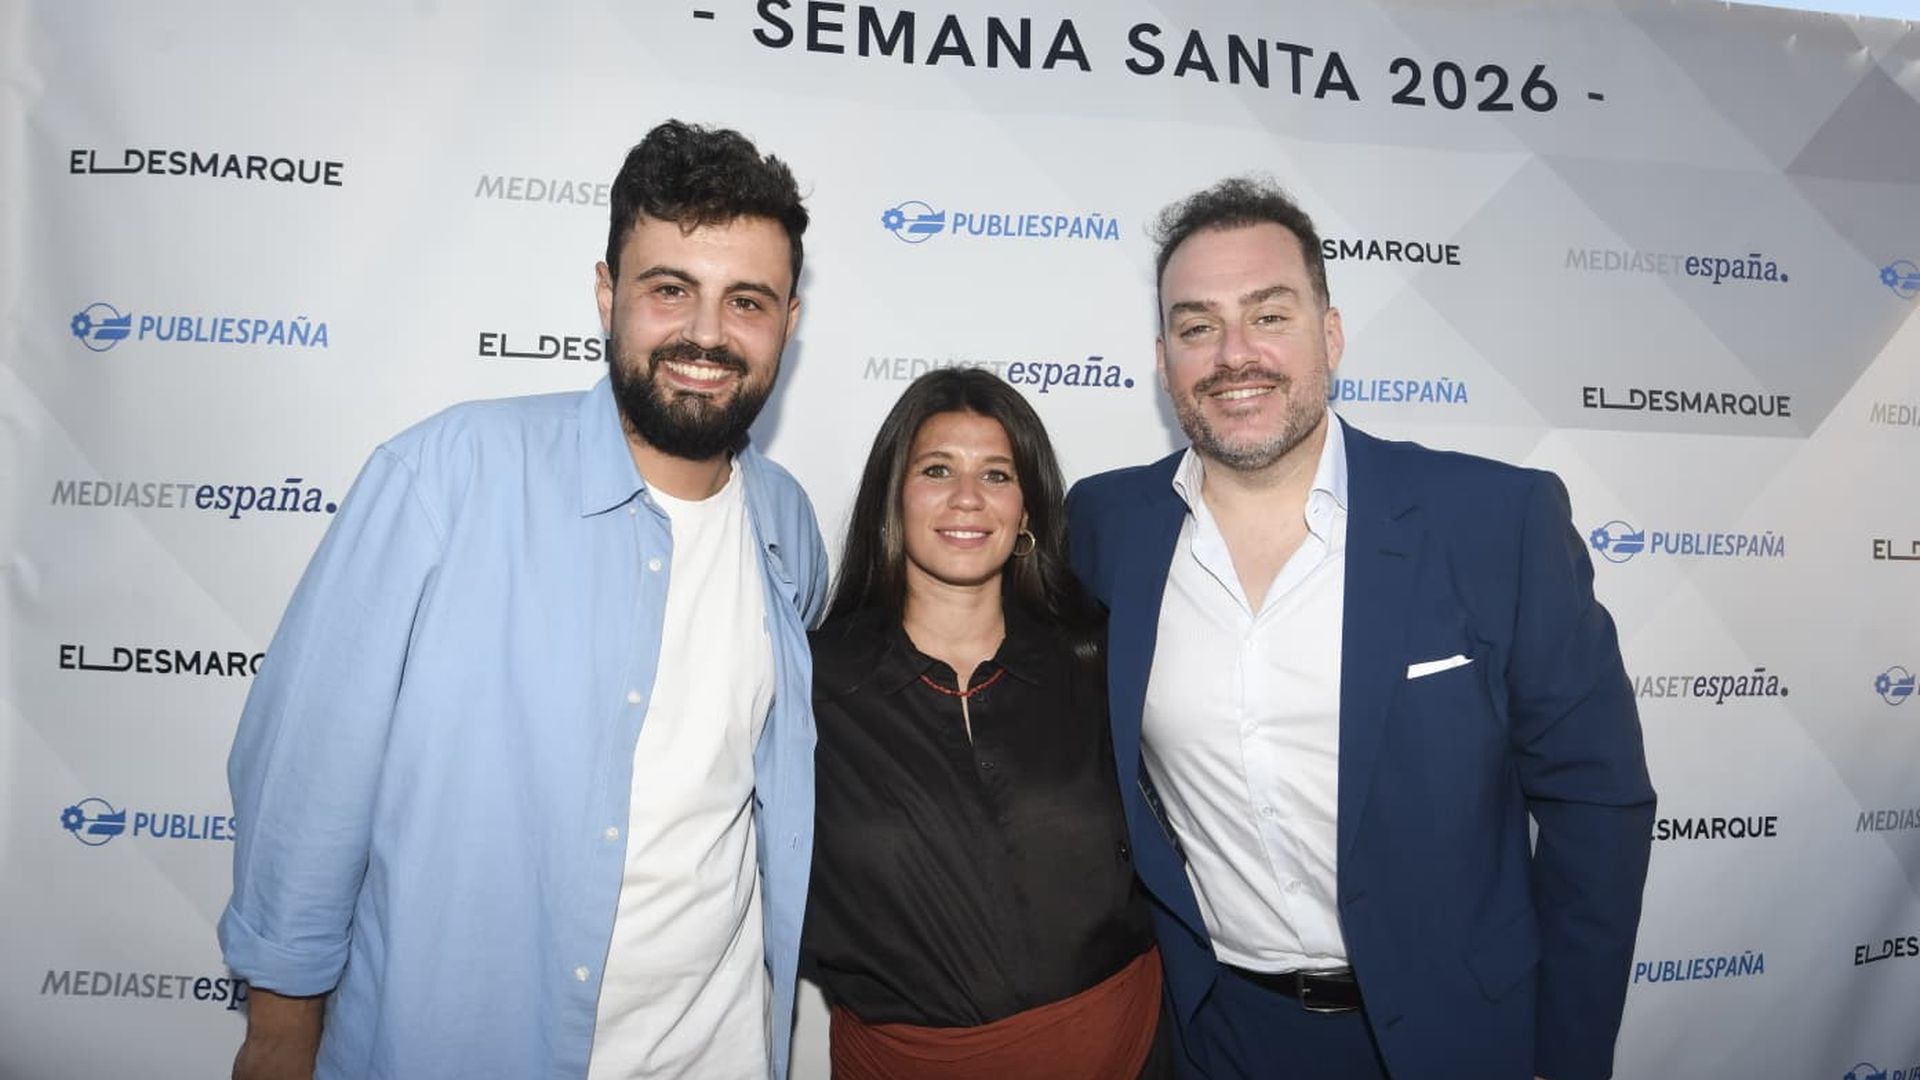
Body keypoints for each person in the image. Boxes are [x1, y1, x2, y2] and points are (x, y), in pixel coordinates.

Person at [218, 120, 827, 1080]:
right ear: (605, 294)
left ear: (788, 322)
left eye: (745, 301)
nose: (707, 334)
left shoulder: (787, 525)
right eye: (670, 289)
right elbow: (307, 774)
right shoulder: (444, 480)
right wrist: (281, 1032)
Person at [1066, 177, 1656, 1080]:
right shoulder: (1108, 528)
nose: (1234, 355)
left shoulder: (1495, 521)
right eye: (1196, 327)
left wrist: (1567, 1058)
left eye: (1269, 315)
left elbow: (1595, 807)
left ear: (1330, 334)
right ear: (1162, 356)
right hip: (1213, 1033)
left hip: (1455, 1039)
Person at [803, 368, 1168, 1080]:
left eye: (997, 475)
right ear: (892, 498)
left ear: (1027, 507)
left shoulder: (1100, 664)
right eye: (937, 469)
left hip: (1129, 1051)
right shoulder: (809, 681)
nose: (967, 497)